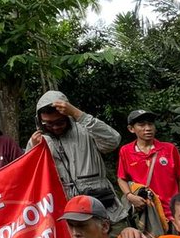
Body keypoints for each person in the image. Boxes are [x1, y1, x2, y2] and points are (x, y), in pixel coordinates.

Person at [27, 91, 126, 227]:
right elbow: (30, 178)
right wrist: (34, 150)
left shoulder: (86, 129)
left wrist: (78, 114)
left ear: (68, 115)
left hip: (105, 210)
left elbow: (113, 141)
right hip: (66, 216)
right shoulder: (38, 140)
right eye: (48, 123)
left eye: (60, 122)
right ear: (39, 121)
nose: (55, 127)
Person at [117, 110, 180, 229]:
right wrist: (130, 196)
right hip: (146, 211)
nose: (148, 128)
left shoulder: (169, 149)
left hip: (172, 211)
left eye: (150, 124)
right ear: (131, 129)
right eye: (141, 125)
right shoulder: (126, 151)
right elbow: (121, 178)